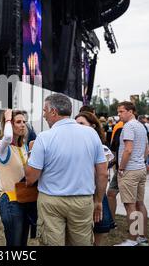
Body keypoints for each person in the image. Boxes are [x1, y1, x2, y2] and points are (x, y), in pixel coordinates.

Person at [25, 94, 108, 246]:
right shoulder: (91, 134)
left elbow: (31, 178)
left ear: (53, 112)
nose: (43, 115)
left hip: (51, 201)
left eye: (45, 110)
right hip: (82, 200)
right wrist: (98, 200)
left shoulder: (44, 137)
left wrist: (31, 153)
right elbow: (103, 173)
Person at [75, 111, 114, 246]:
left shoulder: (101, 148)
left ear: (93, 126)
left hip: (96, 192)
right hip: (77, 194)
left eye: (81, 123)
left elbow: (102, 173)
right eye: (76, 124)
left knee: (99, 228)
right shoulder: (71, 146)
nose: (78, 127)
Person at [114, 102, 149, 246]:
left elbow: (128, 149)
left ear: (130, 112)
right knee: (140, 203)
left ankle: (132, 240)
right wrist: (140, 161)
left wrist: (121, 168)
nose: (119, 115)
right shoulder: (141, 126)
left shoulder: (128, 126)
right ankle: (142, 237)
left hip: (130, 170)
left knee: (130, 206)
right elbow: (147, 150)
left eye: (121, 111)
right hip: (140, 168)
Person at [0, 109, 32, 246]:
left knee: (22, 244)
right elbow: (7, 138)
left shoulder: (24, 147)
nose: (23, 125)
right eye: (18, 122)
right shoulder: (2, 146)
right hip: (11, 202)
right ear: (10, 125)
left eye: (24, 122)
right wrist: (7, 119)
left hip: (26, 200)